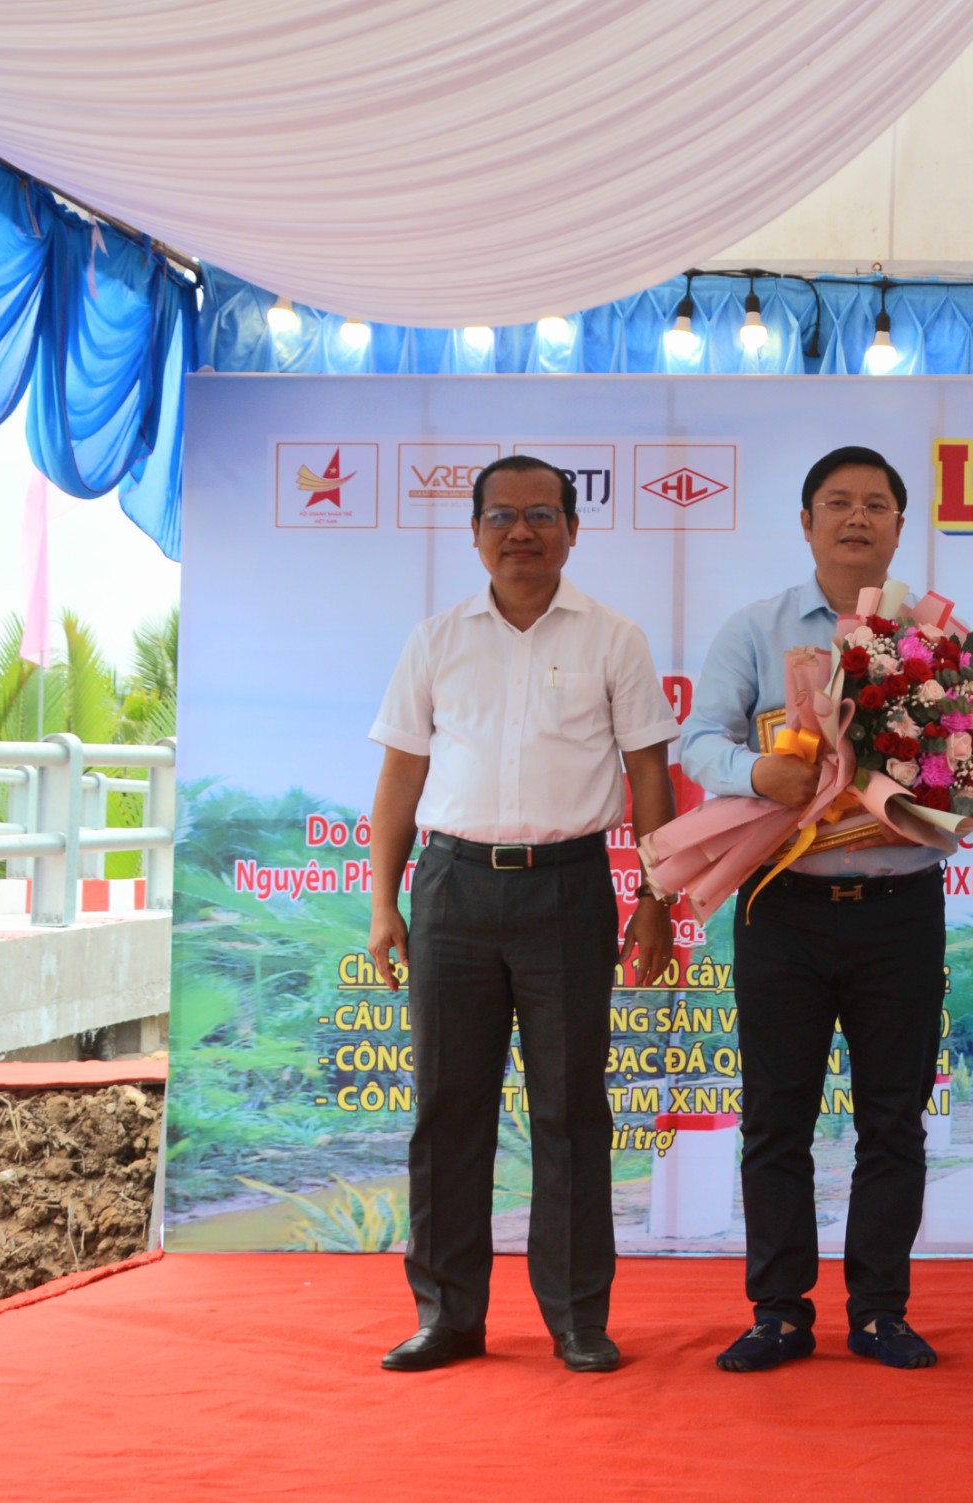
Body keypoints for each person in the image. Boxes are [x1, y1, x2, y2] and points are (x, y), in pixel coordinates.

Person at [365, 454, 681, 1374]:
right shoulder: (435, 640)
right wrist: (382, 900)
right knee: (447, 1108)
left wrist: (655, 899)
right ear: (474, 533)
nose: (521, 531)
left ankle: (578, 1318)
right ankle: (447, 1315)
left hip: (567, 889)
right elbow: (400, 776)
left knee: (571, 1109)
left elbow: (649, 776)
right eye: (501, 516)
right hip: (452, 888)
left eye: (542, 514)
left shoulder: (614, 638)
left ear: (573, 530)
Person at [682, 446, 950, 1373]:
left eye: (877, 504)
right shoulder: (755, 629)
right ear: (806, 523)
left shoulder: (937, 640)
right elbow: (699, 740)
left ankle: (879, 1309)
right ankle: (779, 1311)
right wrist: (758, 771)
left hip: (900, 907)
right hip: (782, 904)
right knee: (777, 1117)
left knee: (894, 1119)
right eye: (838, 502)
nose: (857, 518)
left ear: (900, 526)